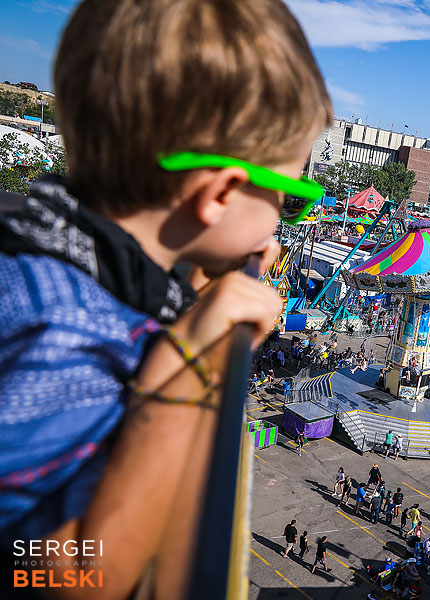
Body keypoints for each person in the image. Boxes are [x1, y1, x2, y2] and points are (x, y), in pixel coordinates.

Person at [0, 0, 332, 592]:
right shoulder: (67, 331)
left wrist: (206, 270)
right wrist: (184, 363)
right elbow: (70, 576)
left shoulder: (44, 247)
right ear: (221, 192)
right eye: (292, 196)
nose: (284, 222)